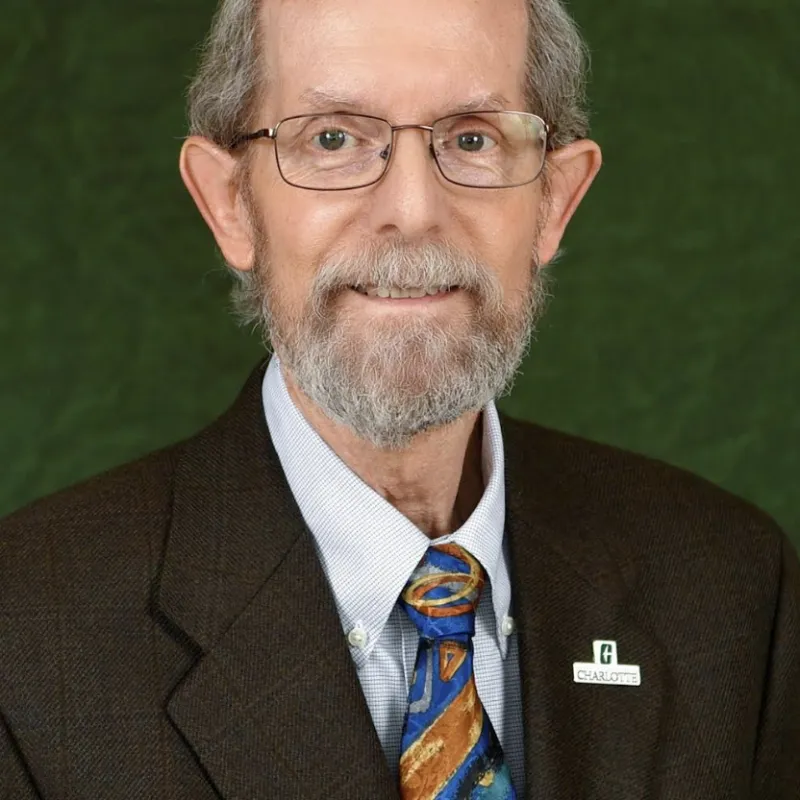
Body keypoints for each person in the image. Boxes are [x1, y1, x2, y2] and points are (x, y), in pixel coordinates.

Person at [1, 0, 798, 796]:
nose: (413, 213)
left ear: (554, 202)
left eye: (473, 139)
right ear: (231, 204)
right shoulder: (26, 634)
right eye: (333, 139)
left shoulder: (730, 590)